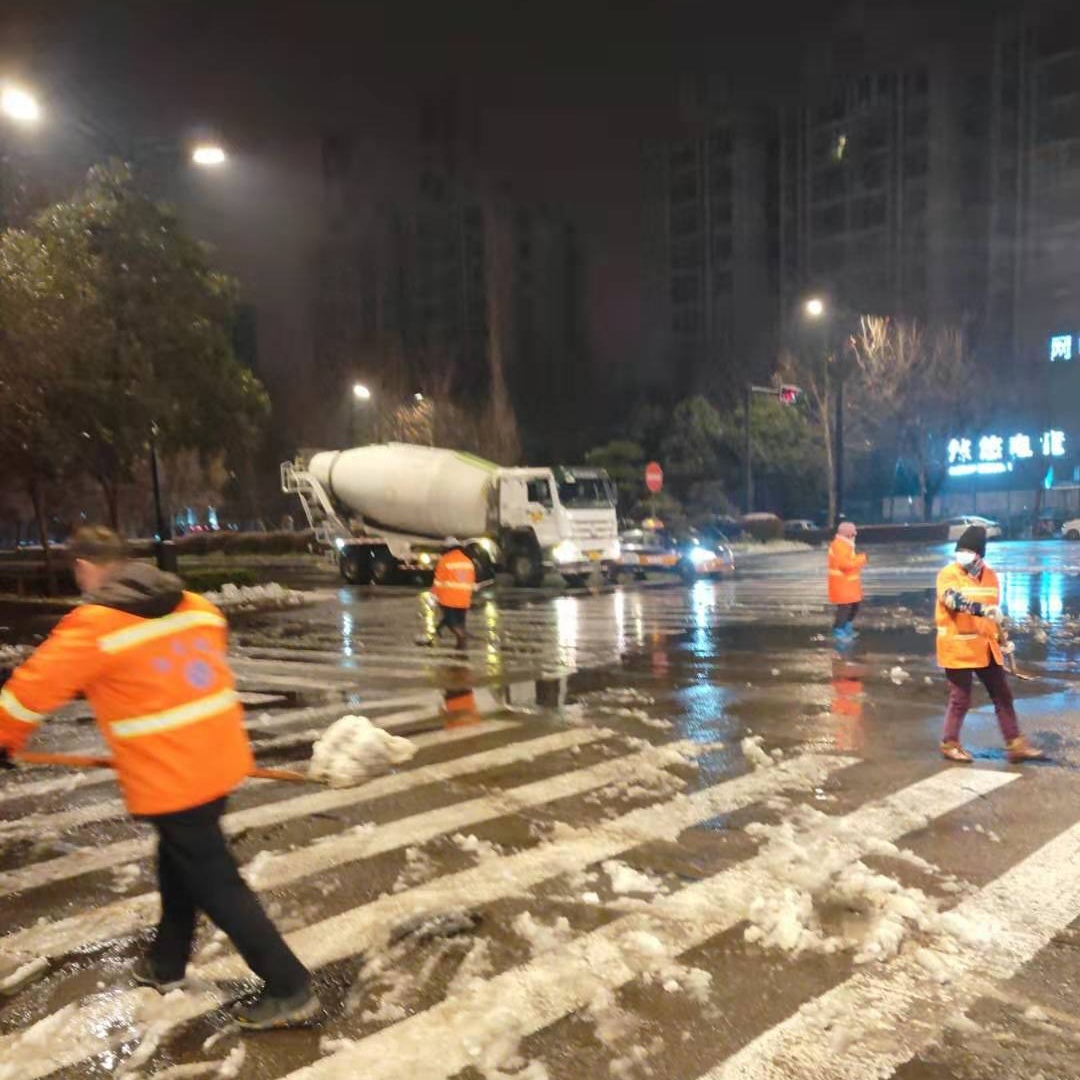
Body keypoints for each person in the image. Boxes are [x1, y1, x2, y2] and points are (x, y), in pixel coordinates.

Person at [0, 527, 317, 1029]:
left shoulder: (94, 627)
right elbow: (191, 662)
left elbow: (26, 694)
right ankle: (166, 962)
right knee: (179, 862)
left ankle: (289, 986)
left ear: (85, 566)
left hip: (171, 776)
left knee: (214, 881)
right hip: (217, 757)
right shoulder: (196, 607)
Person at [936, 524, 1043, 764]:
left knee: (1002, 695)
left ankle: (1015, 744)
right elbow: (952, 600)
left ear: (979, 554)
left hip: (986, 647)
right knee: (960, 699)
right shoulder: (948, 574)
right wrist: (982, 609)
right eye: (960, 550)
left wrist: (1002, 639)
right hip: (958, 647)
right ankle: (949, 743)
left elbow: (994, 613)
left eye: (967, 551)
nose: (962, 555)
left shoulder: (991, 576)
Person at [429, 537, 476, 650]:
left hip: (449, 598)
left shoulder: (445, 560)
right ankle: (461, 645)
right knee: (460, 621)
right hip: (464, 599)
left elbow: (439, 581)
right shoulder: (467, 560)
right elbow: (471, 580)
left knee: (451, 621)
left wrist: (434, 594)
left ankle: (462, 637)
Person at [827, 521, 868, 638]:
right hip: (842, 585)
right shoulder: (839, 546)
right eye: (854, 533)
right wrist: (862, 559)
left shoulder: (846, 545)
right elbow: (845, 565)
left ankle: (846, 627)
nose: (855, 536)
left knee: (854, 606)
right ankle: (839, 630)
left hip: (849, 585)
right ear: (848, 534)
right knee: (844, 609)